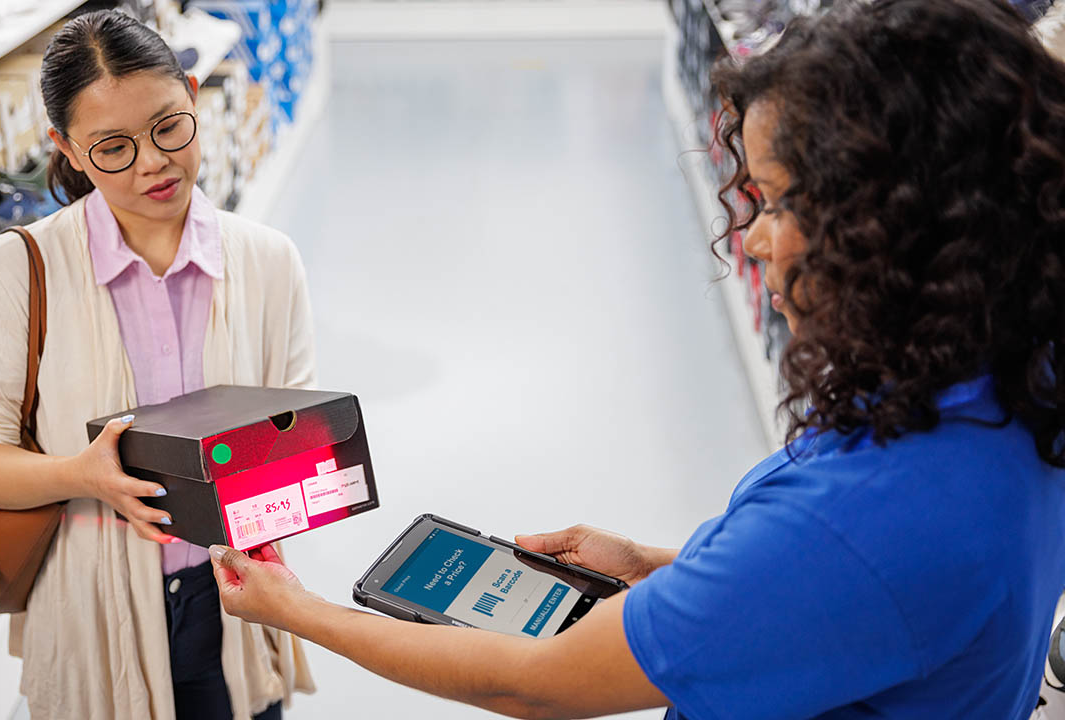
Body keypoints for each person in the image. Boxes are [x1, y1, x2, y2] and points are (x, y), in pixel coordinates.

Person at [205, 1, 1065, 717]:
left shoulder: (867, 519)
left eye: (779, 201)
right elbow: (835, 606)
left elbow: (532, 683)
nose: (755, 239)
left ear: (899, 220)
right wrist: (660, 567)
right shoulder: (1001, 383)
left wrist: (299, 611)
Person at [0, 10, 315, 720]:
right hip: (89, 602)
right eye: (112, 146)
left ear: (194, 97)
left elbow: (291, 442)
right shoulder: (20, 268)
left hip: (232, 599)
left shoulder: (268, 261)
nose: (152, 162)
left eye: (169, 126)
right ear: (67, 149)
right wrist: (77, 475)